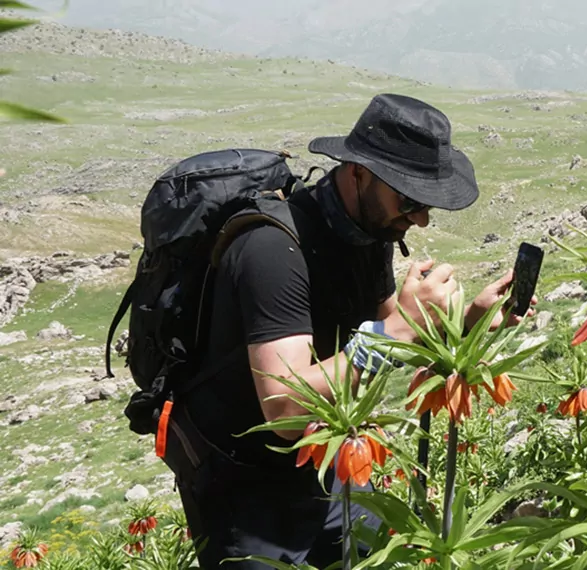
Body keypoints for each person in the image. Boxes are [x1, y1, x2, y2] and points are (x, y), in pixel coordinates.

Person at [167, 94, 532, 568]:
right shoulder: (271, 251)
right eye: (410, 198)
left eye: (427, 204)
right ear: (358, 172)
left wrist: (469, 319)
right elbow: (285, 408)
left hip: (331, 456)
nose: (420, 217)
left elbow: (386, 329)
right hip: (248, 486)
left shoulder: (367, 233)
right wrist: (397, 329)